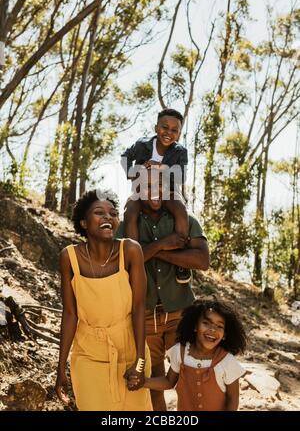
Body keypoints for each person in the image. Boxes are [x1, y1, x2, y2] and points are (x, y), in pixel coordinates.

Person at [116, 168, 210, 411]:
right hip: (144, 317)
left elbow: (202, 261)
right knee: (154, 379)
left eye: (159, 185)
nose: (154, 191)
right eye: (146, 186)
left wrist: (156, 251)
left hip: (180, 313)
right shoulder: (128, 224)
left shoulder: (186, 221)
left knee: (191, 376)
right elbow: (124, 262)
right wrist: (163, 245)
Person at [55, 189, 152, 411]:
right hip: (89, 354)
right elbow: (70, 314)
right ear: (84, 223)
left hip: (130, 352)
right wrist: (61, 367)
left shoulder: (130, 251)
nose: (108, 216)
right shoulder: (68, 257)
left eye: (113, 213)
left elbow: (139, 308)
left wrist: (139, 362)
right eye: (99, 212)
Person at [129, 298, 247, 411]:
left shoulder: (227, 361)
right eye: (206, 323)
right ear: (195, 326)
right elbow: (169, 381)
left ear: (225, 334)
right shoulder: (180, 352)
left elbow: (233, 399)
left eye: (219, 326)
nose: (212, 330)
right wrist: (144, 382)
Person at [121, 109, 190, 284]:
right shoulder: (142, 145)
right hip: (142, 190)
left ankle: (182, 260)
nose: (169, 133)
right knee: (130, 211)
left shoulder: (180, 151)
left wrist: (161, 167)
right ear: (156, 127)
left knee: (181, 209)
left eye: (175, 130)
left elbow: (181, 175)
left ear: (179, 134)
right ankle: (135, 256)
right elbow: (125, 157)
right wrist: (135, 172)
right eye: (164, 127)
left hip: (167, 192)